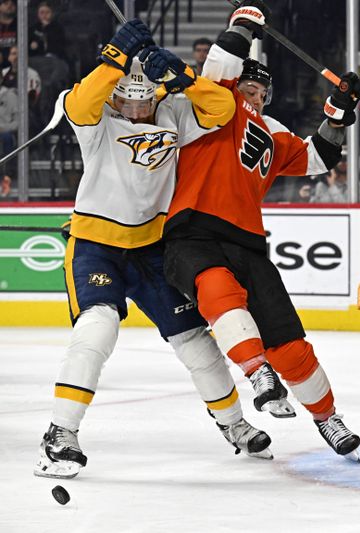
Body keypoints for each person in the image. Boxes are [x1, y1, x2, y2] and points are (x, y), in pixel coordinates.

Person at [33, 19, 275, 481]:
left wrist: (183, 75)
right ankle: (60, 434)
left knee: (196, 342)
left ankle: (233, 424)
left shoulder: (171, 110)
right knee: (97, 329)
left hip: (153, 247)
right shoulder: (95, 116)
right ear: (115, 95)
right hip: (96, 245)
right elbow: (80, 101)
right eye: (129, 100)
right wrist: (114, 57)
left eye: (146, 101)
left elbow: (223, 108)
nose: (139, 110)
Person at [162, 1, 360, 459]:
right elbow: (220, 65)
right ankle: (257, 372)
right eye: (248, 87)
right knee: (219, 292)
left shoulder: (271, 130)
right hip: (192, 231)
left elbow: (318, 157)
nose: (253, 97)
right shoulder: (211, 102)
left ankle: (327, 417)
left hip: (248, 242)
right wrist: (241, 25)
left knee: (290, 343)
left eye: (260, 92)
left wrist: (337, 112)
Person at [0, 0, 15, 67]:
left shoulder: (21, 24)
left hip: (15, 62)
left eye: (12, 4)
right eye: (6, 3)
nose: (9, 6)